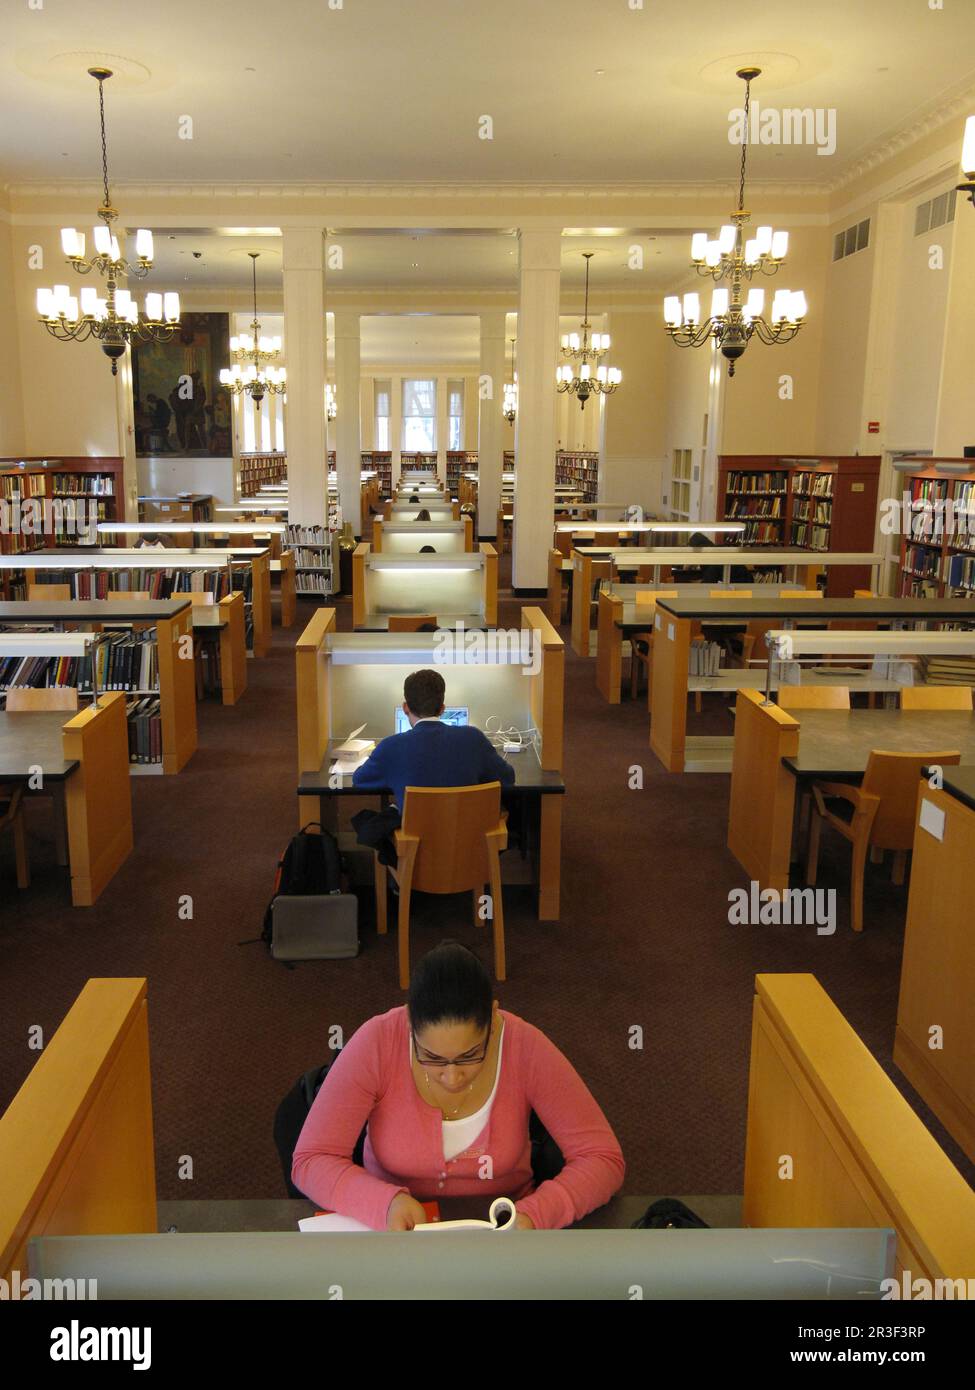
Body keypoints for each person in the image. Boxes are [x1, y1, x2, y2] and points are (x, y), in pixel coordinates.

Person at [292, 941, 625, 1230]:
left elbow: (602, 1159)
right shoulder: (378, 1042)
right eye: (432, 1058)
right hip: (396, 1229)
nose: (452, 1077)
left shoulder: (524, 1046)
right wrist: (384, 1203)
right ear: (410, 1024)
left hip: (503, 1230)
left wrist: (535, 1215)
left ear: (493, 1020)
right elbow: (312, 1159)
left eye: (470, 1056)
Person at [350, 668, 514, 868]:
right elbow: (507, 778)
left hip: (417, 855)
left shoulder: (391, 747)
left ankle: (399, 885)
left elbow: (359, 780)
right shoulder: (473, 738)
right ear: (442, 708)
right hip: (469, 851)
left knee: (373, 819)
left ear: (405, 707)